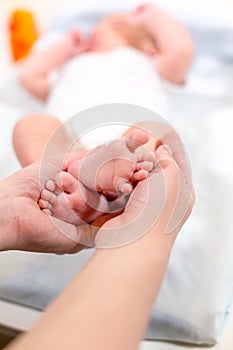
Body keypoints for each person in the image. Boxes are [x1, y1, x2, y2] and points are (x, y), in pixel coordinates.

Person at [0, 138, 194, 350]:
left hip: (110, 170)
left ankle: (79, 189)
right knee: (36, 127)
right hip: (84, 153)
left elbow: (162, 141)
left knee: (150, 139)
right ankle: (75, 183)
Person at [18, 3, 194, 119]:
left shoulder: (150, 65)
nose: (96, 30)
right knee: (30, 126)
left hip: (132, 143)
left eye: (116, 27)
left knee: (155, 137)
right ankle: (42, 170)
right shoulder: (71, 68)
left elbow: (181, 50)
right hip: (68, 149)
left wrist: (152, 16)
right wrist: (64, 49)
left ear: (151, 49)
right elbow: (29, 76)